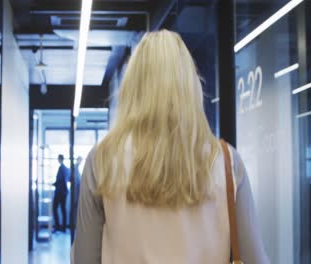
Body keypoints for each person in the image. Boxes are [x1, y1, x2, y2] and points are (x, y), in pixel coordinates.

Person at [72, 30, 269, 263]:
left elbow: (85, 259)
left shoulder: (102, 160)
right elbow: (255, 258)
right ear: (190, 86)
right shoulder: (226, 161)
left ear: (132, 87)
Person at [53, 154, 69, 232]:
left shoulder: (61, 168)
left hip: (59, 192)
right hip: (64, 192)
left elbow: (59, 180)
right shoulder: (66, 168)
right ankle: (64, 228)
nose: (57, 160)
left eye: (58, 158)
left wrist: (53, 184)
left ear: (60, 159)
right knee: (63, 209)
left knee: (54, 208)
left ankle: (57, 226)